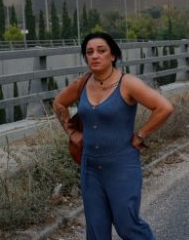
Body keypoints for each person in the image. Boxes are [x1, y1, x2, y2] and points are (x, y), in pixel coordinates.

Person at [53, 32, 174, 240]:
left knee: (128, 226)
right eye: (89, 52)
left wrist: (140, 135)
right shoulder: (82, 83)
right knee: (96, 230)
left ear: (113, 56)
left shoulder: (128, 83)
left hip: (122, 165)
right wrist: (72, 132)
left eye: (101, 51)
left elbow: (164, 107)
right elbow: (58, 103)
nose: (95, 56)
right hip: (90, 167)